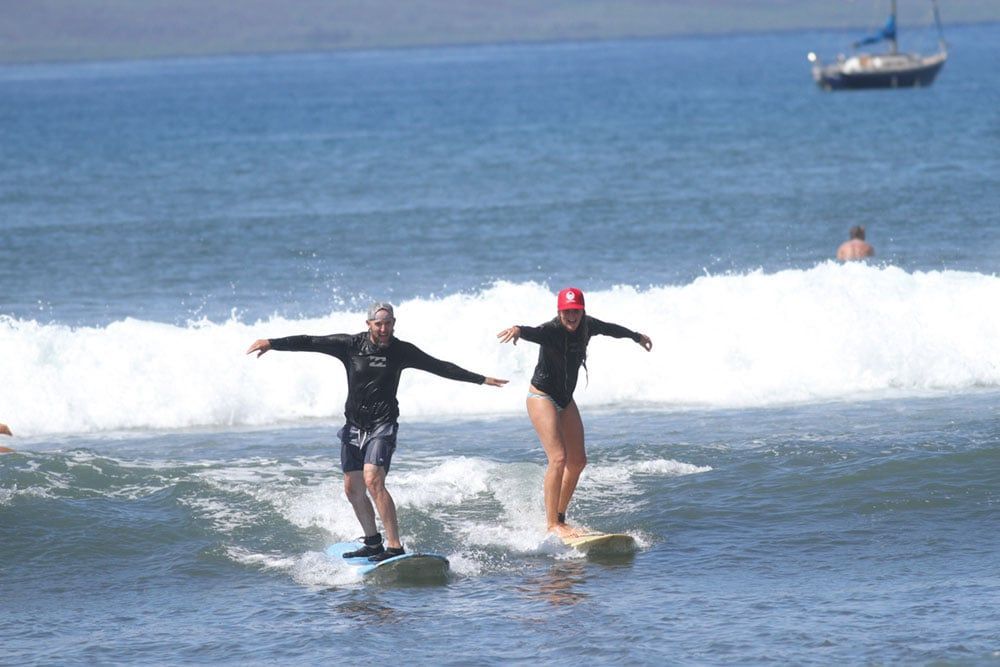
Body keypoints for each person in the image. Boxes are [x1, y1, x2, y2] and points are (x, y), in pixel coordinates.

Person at [247, 302, 507, 562]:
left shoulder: (401, 351)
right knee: (352, 489)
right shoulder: (350, 345)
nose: (383, 329)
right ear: (368, 324)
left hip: (383, 424)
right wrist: (271, 343)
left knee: (373, 480)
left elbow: (439, 366)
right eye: (378, 324)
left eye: (388, 324)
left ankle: (395, 546)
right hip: (354, 425)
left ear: (394, 323)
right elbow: (310, 341)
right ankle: (372, 543)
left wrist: (480, 379)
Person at [496, 287, 652, 538]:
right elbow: (532, 332)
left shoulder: (588, 325)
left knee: (578, 461)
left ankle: (559, 518)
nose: (571, 316)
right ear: (559, 312)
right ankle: (551, 525)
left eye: (576, 311)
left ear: (582, 311)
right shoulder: (551, 330)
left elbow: (610, 329)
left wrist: (636, 336)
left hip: (565, 400)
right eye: (567, 311)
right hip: (542, 397)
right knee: (558, 458)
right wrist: (517, 330)